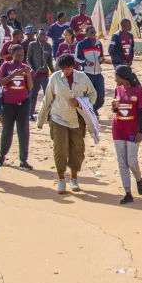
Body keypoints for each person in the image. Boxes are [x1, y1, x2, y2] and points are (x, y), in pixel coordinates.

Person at [37, 53, 98, 194]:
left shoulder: (82, 78)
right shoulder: (55, 78)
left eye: (68, 68)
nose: (66, 70)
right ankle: (61, 180)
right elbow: (47, 99)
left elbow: (93, 95)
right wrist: (41, 119)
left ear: (73, 66)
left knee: (77, 150)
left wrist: (80, 103)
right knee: (60, 149)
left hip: (77, 120)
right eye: (63, 68)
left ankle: (74, 179)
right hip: (58, 118)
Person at [112, 65, 142, 204]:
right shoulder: (118, 89)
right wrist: (114, 107)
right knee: (122, 162)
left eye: (116, 76)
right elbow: (116, 110)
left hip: (133, 130)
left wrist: (141, 132)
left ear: (123, 77)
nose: (115, 79)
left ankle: (138, 179)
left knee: (131, 160)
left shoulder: (139, 90)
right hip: (118, 129)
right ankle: (127, 192)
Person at [0, 44, 34, 170]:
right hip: (8, 104)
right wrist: (12, 75)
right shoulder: (6, 65)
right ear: (12, 54)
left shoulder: (25, 67)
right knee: (7, 131)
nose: (20, 58)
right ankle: (2, 155)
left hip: (23, 103)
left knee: (23, 131)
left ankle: (23, 160)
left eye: (22, 55)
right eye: (18, 55)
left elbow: (30, 87)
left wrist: (28, 75)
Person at [76, 25, 106, 117]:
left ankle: (94, 109)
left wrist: (101, 60)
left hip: (98, 73)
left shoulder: (98, 43)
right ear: (86, 33)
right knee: (88, 96)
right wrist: (86, 62)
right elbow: (76, 58)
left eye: (94, 32)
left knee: (101, 97)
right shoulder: (81, 44)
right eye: (91, 32)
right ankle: (90, 112)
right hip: (87, 74)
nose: (94, 34)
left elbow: (101, 56)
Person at [27, 29, 54, 121]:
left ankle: (49, 114)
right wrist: (32, 69)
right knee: (33, 94)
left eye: (44, 35)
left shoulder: (48, 46)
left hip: (44, 74)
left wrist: (53, 72)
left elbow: (50, 61)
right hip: (35, 74)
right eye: (41, 35)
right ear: (37, 35)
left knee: (48, 94)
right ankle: (30, 114)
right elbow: (28, 59)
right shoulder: (32, 45)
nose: (42, 36)